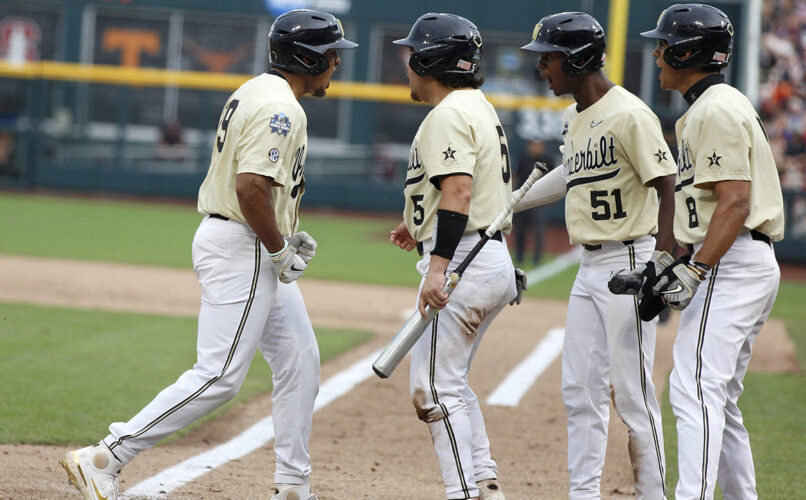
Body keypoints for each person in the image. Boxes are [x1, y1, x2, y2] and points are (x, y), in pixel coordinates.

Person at [58, 10, 357, 500]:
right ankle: (104, 456)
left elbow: (257, 190)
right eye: (330, 56)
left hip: (245, 238)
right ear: (306, 58)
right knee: (219, 375)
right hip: (244, 245)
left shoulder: (254, 90)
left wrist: (285, 232)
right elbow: (251, 189)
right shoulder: (283, 108)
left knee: (300, 359)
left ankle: (292, 486)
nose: (335, 65)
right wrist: (279, 247)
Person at [517, 12, 677, 499]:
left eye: (549, 58)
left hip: (630, 261)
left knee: (632, 394)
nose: (541, 67)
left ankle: (653, 494)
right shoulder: (574, 117)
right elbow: (570, 174)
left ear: (578, 60)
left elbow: (667, 185)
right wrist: (509, 205)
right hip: (589, 267)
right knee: (579, 391)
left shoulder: (630, 114)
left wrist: (662, 263)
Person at [641, 5, 784, 499]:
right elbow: (704, 208)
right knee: (716, 397)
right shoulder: (712, 106)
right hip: (737, 257)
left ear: (686, 52)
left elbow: (736, 201)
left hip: (731, 259)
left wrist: (696, 268)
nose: (657, 53)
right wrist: (667, 263)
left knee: (694, 388)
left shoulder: (715, 109)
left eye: (664, 45)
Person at [388, 13, 518, 500]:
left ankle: (464, 492)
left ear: (430, 60)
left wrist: (438, 266)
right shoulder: (476, 106)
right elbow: (469, 188)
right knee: (450, 380)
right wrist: (417, 221)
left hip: (466, 259)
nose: (407, 63)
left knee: (433, 388)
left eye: (412, 54)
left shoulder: (446, 113)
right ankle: (483, 481)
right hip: (486, 253)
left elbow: (460, 191)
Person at [513, 138, 550, 265]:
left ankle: (537, 258)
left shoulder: (547, 159)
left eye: (538, 145)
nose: (536, 148)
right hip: (522, 199)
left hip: (538, 201)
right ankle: (519, 256)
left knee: (538, 231)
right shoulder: (523, 158)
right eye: (533, 145)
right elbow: (515, 176)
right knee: (520, 230)